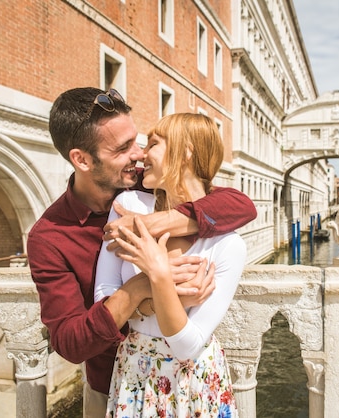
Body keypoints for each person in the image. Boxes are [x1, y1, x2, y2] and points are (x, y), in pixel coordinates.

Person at [26, 87, 256, 418]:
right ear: (82, 159)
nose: (138, 154)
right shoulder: (49, 237)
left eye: (139, 141)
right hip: (113, 389)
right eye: (123, 148)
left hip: (187, 383)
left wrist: (152, 223)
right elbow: (70, 343)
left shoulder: (143, 187)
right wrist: (145, 290)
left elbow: (239, 205)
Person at [95, 113, 245, 417]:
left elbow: (186, 346)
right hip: (134, 372)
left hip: (193, 384)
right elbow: (103, 297)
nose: (141, 153)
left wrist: (159, 277)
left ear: (186, 151)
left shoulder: (229, 245)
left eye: (153, 144)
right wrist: (160, 297)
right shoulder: (129, 207)